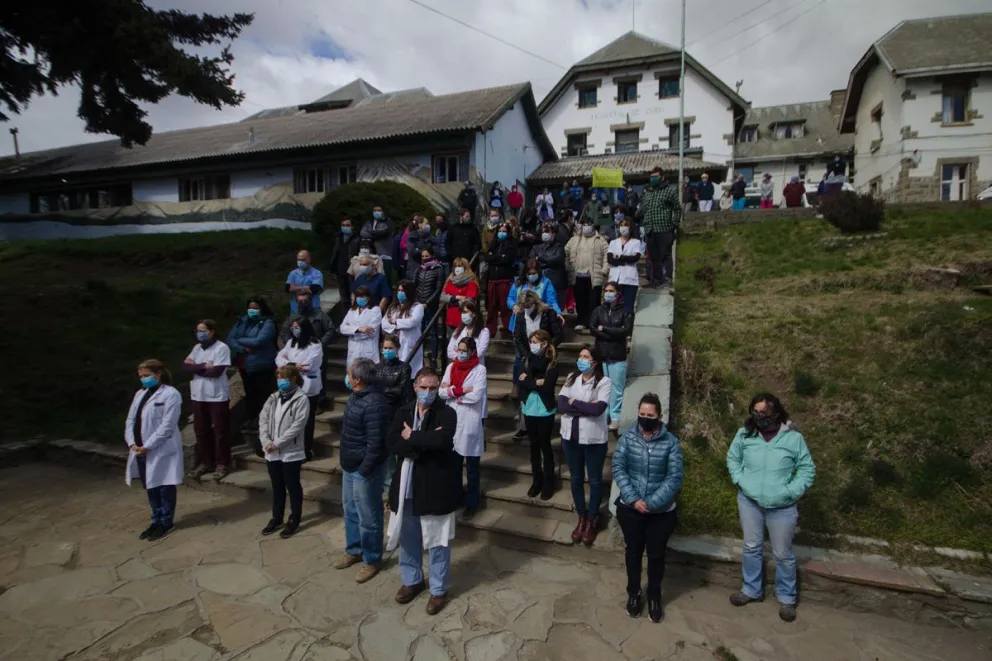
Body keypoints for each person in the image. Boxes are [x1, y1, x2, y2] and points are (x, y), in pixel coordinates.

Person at [726, 393, 816, 623]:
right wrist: (740, 480)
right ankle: (751, 589)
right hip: (750, 501)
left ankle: (786, 598)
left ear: (776, 413)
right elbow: (733, 458)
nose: (759, 417)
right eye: (755, 412)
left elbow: (807, 469)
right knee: (752, 546)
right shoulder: (745, 434)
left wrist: (790, 491)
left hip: (782, 506)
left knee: (783, 554)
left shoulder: (793, 439)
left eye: (764, 413)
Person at [386, 367, 460, 616]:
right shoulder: (404, 411)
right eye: (423, 387)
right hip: (406, 484)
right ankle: (412, 579)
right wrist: (424, 440)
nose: (428, 392)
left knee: (438, 540)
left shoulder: (446, 413)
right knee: (408, 537)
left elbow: (443, 441)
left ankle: (438, 590)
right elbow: (393, 442)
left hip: (435, 485)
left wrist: (413, 437)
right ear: (415, 386)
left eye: (433, 387)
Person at [612, 392, 684, 623]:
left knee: (656, 556)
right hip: (630, 509)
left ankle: (654, 596)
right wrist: (633, 499)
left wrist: (651, 503)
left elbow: (674, 477)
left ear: (659, 416)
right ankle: (634, 593)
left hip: (660, 513)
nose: (645, 418)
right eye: (641, 414)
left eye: (650, 415)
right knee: (632, 553)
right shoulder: (628, 438)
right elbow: (619, 467)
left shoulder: (670, 442)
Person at [335, 358, 391, 583]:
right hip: (350, 465)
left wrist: (366, 468)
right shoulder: (355, 396)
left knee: (369, 516)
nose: (347, 378)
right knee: (350, 511)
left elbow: (376, 443)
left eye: (349, 374)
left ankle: (372, 558)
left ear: (357, 379)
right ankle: (354, 549)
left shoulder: (375, 403)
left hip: (364, 469)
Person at [557, 345, 612, 545]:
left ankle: (592, 518)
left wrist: (575, 403)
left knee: (595, 480)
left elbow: (598, 409)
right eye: (579, 356)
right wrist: (583, 406)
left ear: (594, 361)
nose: (581, 359)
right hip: (570, 437)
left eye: (585, 356)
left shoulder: (604, 382)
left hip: (593, 439)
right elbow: (561, 404)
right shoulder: (572, 377)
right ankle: (581, 516)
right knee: (576, 478)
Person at [125, 359, 183, 541]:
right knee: (150, 486)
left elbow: (168, 425)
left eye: (147, 376)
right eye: (141, 376)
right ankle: (155, 520)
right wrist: (131, 443)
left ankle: (166, 521)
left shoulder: (171, 394)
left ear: (158, 375)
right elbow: (130, 420)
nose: (144, 380)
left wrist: (148, 445)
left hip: (160, 448)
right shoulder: (140, 394)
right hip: (140, 448)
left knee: (164, 486)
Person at [258, 364, 310, 538]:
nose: (280, 381)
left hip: (291, 451)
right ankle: (277, 517)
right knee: (277, 486)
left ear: (293, 379)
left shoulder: (302, 399)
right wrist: (266, 441)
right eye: (278, 378)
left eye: (284, 378)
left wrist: (278, 443)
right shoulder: (273, 398)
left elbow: (297, 426)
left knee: (292, 485)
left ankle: (294, 518)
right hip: (272, 451)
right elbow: (263, 419)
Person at [440, 337, 487, 519]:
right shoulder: (451, 367)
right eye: (459, 349)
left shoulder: (480, 370)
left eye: (464, 350)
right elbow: (441, 392)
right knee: (454, 464)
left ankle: (472, 503)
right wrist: (460, 390)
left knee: (473, 466)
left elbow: (476, 396)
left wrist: (453, 393)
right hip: (452, 419)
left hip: (470, 420)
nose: (461, 353)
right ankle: (457, 496)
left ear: (472, 351)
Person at [183, 320, 232, 480]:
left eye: (203, 330)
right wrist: (204, 366)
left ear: (212, 331)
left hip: (216, 395)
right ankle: (206, 462)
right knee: (201, 429)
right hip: (199, 394)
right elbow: (184, 367)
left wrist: (197, 368)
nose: (200, 333)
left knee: (219, 430)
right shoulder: (197, 348)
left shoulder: (221, 348)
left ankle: (222, 463)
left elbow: (217, 371)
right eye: (198, 330)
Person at [517, 329, 560, 500]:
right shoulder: (527, 360)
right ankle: (537, 481)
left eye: (535, 342)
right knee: (533, 446)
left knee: (545, 445)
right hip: (529, 407)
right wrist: (536, 382)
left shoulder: (553, 363)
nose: (532, 345)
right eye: (531, 342)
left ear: (544, 343)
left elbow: (548, 386)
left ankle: (549, 483)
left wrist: (529, 381)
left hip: (545, 409)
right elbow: (521, 382)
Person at [275, 318, 323, 461]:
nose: (294, 330)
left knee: (307, 421)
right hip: (292, 385)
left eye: (297, 327)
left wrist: (289, 365)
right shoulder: (291, 343)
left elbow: (310, 364)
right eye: (293, 327)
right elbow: (279, 358)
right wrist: (293, 365)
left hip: (309, 386)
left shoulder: (315, 344)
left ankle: (306, 450)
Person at [227, 296, 278, 429]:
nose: (252, 311)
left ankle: (265, 423)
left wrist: (240, 339)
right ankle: (251, 420)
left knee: (262, 394)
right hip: (245, 365)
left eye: (255, 308)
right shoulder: (242, 321)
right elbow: (230, 338)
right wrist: (242, 347)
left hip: (262, 365)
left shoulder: (268, 323)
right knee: (250, 394)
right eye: (250, 308)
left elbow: (258, 341)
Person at [590, 282, 633, 431]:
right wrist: (611, 334)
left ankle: (615, 417)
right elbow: (593, 328)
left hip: (617, 356)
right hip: (601, 355)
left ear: (618, 293)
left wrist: (606, 329)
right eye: (606, 290)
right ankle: (603, 414)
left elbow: (625, 330)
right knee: (601, 387)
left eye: (611, 291)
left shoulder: (625, 311)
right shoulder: (598, 310)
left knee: (616, 388)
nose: (608, 293)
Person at [376, 334, 414, 503]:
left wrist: (383, 392)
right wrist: (387, 391)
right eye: (385, 348)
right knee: (385, 454)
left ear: (397, 349)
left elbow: (401, 390)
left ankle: (400, 489)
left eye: (390, 348)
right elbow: (373, 389)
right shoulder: (375, 368)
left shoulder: (404, 367)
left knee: (398, 451)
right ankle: (388, 490)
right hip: (379, 413)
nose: (387, 351)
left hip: (397, 414)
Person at [636, 168, 681, 288]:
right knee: (653, 257)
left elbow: (677, 209)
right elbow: (643, 209)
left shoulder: (669, 191)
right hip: (650, 230)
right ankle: (656, 279)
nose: (653, 179)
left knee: (666, 255)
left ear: (662, 177)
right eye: (651, 177)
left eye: (656, 176)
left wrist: (674, 224)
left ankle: (668, 279)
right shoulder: (648, 193)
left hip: (665, 229)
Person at [565, 218, 609, 330]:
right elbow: (566, 252)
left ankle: (593, 323)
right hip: (578, 275)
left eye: (589, 224)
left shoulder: (600, 240)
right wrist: (568, 267)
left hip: (594, 275)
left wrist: (604, 270)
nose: (586, 226)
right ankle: (581, 321)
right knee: (580, 300)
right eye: (584, 224)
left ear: (593, 226)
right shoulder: (574, 239)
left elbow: (607, 255)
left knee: (594, 301)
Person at [381, 280, 425, 376]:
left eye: (403, 291)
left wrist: (396, 322)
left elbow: (413, 322)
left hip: (410, 342)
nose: (400, 293)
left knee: (410, 370)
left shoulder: (417, 307)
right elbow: (384, 323)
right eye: (399, 290)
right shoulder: (393, 307)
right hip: (396, 341)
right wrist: (395, 327)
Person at [484, 222, 517, 336]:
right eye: (500, 231)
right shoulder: (493, 244)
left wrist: (495, 257)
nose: (501, 233)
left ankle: (508, 328)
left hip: (505, 279)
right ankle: (490, 330)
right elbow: (487, 257)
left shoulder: (511, 244)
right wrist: (498, 257)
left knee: (505, 306)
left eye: (504, 231)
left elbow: (507, 259)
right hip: (492, 279)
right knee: (491, 306)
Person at [415, 245, 446, 367]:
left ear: (432, 255)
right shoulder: (419, 269)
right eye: (422, 256)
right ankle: (420, 357)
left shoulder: (438, 269)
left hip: (431, 305)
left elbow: (438, 288)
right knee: (420, 331)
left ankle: (433, 358)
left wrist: (427, 302)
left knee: (433, 332)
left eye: (427, 256)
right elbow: (415, 285)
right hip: (419, 304)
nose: (424, 258)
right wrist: (418, 302)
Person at [607, 218, 644, 314]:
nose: (623, 228)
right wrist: (625, 260)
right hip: (615, 278)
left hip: (630, 279)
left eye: (626, 225)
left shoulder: (636, 242)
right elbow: (610, 259)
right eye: (621, 225)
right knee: (614, 304)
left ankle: (627, 325)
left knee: (628, 305)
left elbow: (635, 258)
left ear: (630, 228)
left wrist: (619, 257)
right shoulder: (613, 242)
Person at [340, 286, 383, 367]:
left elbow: (372, 332)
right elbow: (342, 328)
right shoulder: (352, 310)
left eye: (362, 296)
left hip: (368, 350)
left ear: (369, 297)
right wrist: (358, 329)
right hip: (353, 349)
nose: (360, 298)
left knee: (368, 375)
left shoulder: (375, 310)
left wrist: (351, 332)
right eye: (358, 296)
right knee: (352, 375)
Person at [440, 257, 480, 338]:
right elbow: (442, 297)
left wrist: (451, 301)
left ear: (465, 268)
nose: (457, 268)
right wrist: (457, 297)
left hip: (464, 319)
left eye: (459, 266)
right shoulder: (450, 281)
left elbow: (469, 300)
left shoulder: (471, 283)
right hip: (450, 318)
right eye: (455, 266)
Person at [530, 223, 568, 306]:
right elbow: (532, 262)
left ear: (553, 234)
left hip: (555, 283)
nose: (545, 234)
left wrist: (541, 259)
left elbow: (557, 261)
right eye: (544, 232)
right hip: (539, 283)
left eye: (548, 232)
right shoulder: (536, 247)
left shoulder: (559, 247)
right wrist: (547, 263)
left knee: (555, 310)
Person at [446, 299, 490, 367]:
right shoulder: (457, 331)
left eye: (466, 312)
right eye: (462, 313)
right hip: (459, 367)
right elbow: (450, 351)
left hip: (475, 368)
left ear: (474, 314)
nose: (463, 315)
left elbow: (480, 351)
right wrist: (461, 357)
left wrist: (461, 353)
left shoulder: (484, 332)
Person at [331, 218, 361, 306]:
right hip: (340, 272)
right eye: (343, 225)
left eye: (347, 225)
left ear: (352, 226)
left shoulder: (357, 239)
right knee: (344, 298)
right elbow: (335, 254)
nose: (345, 227)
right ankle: (346, 316)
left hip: (352, 273)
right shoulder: (338, 238)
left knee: (354, 296)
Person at [361, 206, 396, 281]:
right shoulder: (369, 222)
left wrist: (370, 233)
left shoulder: (388, 222)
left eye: (379, 210)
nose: (376, 212)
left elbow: (385, 232)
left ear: (383, 212)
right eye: (375, 210)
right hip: (371, 254)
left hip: (385, 254)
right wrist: (375, 235)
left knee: (385, 277)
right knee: (371, 278)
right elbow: (362, 233)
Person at [285, 249, 324, 316]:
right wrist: (305, 288)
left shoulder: (316, 273)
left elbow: (314, 289)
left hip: (313, 308)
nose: (300, 262)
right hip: (296, 310)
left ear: (309, 260)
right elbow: (287, 288)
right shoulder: (293, 274)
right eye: (298, 260)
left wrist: (295, 289)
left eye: (302, 260)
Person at [405, 215, 434, 281]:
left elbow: (434, 249)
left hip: (427, 269)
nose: (428, 225)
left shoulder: (430, 236)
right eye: (426, 223)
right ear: (420, 225)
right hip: (414, 268)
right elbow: (412, 252)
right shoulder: (413, 236)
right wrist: (425, 251)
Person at [433, 213, 451, 279]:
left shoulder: (449, 231)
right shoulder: (438, 231)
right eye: (437, 221)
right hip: (438, 260)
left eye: (439, 221)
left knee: (447, 278)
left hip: (447, 260)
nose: (438, 223)